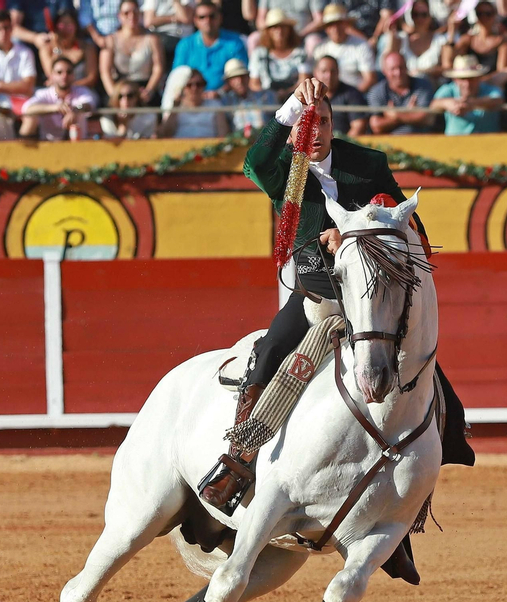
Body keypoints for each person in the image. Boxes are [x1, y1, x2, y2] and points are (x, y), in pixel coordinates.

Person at [200, 76, 472, 512]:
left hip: (368, 298)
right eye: (307, 123)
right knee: (269, 353)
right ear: (294, 129)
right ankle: (237, 462)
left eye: (323, 121)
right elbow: (253, 159)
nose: (315, 130)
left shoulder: (366, 164)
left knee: (424, 372)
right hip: (318, 297)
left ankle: (422, 486)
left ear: (333, 124)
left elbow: (404, 222)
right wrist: (293, 103)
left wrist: (352, 233)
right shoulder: (283, 172)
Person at [173, 0, 247, 92]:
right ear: (195, 20)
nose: (207, 21)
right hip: (193, 99)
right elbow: (177, 77)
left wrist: (220, 93)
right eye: (202, 17)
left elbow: (242, 76)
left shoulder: (235, 42)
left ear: (220, 18)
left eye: (212, 16)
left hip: (227, 99)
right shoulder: (185, 45)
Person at [102, 0, 165, 107]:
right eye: (126, 13)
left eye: (135, 12)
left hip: (144, 87)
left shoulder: (152, 39)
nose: (131, 16)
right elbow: (105, 71)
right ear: (119, 16)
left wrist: (149, 90)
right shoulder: (110, 40)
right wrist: (114, 94)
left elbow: (158, 67)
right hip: (119, 89)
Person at [21, 54, 99, 137]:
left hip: (78, 145)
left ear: (74, 75)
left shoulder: (82, 91)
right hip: (49, 146)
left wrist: (75, 110)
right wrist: (55, 108)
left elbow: (89, 104)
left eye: (69, 72)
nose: (64, 76)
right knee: (29, 121)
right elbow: (27, 109)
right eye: (59, 72)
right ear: (52, 75)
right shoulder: (44, 93)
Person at [0, 8, 38, 109]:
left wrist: (0, 86)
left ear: (11, 28)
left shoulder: (25, 52)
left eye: (6, 28)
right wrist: (19, 86)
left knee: (32, 112)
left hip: (23, 103)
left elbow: (28, 87)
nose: (3, 33)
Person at [368, 48, 437, 132]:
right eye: (393, 69)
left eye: (401, 67)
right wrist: (410, 114)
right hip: (389, 143)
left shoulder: (423, 85)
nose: (398, 73)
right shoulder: (376, 92)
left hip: (422, 141)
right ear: (384, 71)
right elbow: (376, 126)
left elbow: (427, 119)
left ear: (407, 67)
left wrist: (395, 115)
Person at [429, 53, 503, 131]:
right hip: (453, 142)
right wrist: (447, 103)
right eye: (462, 78)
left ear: (479, 77)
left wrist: (472, 104)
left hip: (487, 142)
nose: (467, 83)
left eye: (471, 78)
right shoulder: (448, 90)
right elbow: (433, 104)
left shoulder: (490, 90)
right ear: (455, 79)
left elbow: (498, 100)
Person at [376, 1, 446, 79]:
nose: (420, 19)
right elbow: (385, 65)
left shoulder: (440, 39)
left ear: (430, 16)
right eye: (415, 15)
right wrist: (391, 35)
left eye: (424, 15)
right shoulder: (401, 38)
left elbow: (447, 67)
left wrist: (424, 72)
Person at [38, 9, 103, 94]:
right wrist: (57, 49)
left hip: (82, 92)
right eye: (62, 25)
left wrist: (70, 87)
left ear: (76, 26)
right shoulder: (47, 49)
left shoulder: (87, 47)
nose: (65, 29)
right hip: (56, 92)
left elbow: (91, 78)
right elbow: (51, 75)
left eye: (69, 25)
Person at [314, 3, 376, 90]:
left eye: (339, 23)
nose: (335, 28)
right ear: (326, 28)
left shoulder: (361, 46)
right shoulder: (320, 49)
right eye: (331, 24)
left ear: (346, 24)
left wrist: (353, 97)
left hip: (354, 96)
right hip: (325, 98)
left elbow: (370, 79)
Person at [250, 8, 310, 98]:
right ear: (268, 31)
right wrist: (271, 96)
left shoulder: (300, 53)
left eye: (283, 27)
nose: (280, 31)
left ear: (289, 30)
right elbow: (254, 84)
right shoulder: (258, 54)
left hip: (295, 99)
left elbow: (304, 80)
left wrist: (288, 94)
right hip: (267, 102)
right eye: (275, 27)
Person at [455, 0, 507, 73]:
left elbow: (502, 74)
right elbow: (451, 61)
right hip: (469, 82)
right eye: (479, 13)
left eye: (488, 14)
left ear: (494, 16)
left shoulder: (502, 42)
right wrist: (451, 31)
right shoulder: (467, 40)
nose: (484, 17)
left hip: (491, 83)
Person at [158, 66, 229, 133]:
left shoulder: (215, 105)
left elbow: (223, 134)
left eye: (199, 84)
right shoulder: (175, 106)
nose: (194, 88)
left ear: (204, 86)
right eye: (189, 85)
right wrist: (175, 108)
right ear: (183, 87)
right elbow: (166, 133)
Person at [311, 53, 367, 132]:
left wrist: (342, 144)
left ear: (338, 72)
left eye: (333, 71)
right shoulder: (308, 95)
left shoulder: (352, 94)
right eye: (324, 71)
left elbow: (359, 125)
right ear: (315, 73)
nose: (329, 76)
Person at [218, 56, 272, 130]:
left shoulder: (266, 96)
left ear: (248, 77)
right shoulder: (225, 102)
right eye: (234, 78)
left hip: (264, 140)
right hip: (237, 140)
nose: (239, 81)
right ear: (228, 82)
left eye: (242, 76)